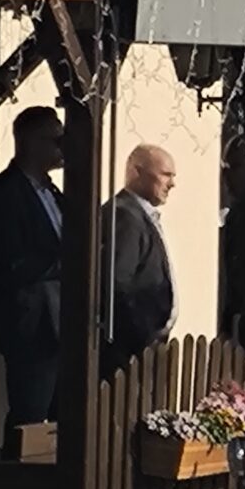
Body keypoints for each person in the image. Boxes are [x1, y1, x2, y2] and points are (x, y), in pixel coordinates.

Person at [0, 107, 65, 442]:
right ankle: (16, 473)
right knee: (29, 416)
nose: (63, 148)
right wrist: (67, 262)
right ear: (31, 142)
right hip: (31, 325)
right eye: (57, 140)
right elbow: (11, 261)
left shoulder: (55, 194)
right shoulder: (2, 194)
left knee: (65, 420)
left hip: (65, 326)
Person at [104, 144, 177, 375]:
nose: (172, 184)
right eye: (165, 174)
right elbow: (117, 283)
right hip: (131, 349)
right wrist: (143, 332)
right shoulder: (125, 216)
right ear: (137, 172)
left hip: (144, 346)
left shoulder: (139, 214)